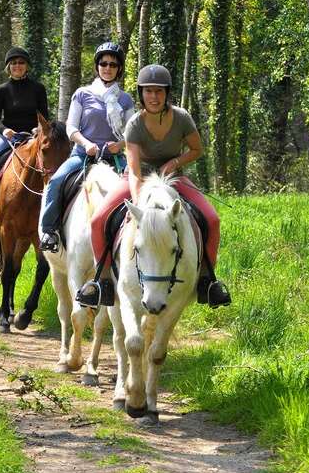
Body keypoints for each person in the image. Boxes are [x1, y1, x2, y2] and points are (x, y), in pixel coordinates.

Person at [76, 64, 231, 309]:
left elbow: (197, 149)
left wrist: (175, 162)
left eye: (159, 91)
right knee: (98, 220)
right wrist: (140, 206)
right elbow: (135, 171)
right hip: (138, 178)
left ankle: (207, 281)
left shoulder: (182, 117)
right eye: (148, 91)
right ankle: (102, 281)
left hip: (173, 178)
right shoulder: (135, 124)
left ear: (167, 93)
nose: (154, 97)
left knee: (212, 219)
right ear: (141, 94)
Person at [39, 42, 135, 253]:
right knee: (56, 181)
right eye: (103, 63)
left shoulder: (126, 99)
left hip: (114, 158)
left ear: (119, 69)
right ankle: (50, 232)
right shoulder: (82, 94)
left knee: (138, 185)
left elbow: (131, 132)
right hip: (83, 154)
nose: (107, 68)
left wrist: (119, 145)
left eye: (112, 64)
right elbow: (71, 127)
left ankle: (135, 233)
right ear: (97, 66)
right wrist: (86, 144)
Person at [0, 47, 48, 210]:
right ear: (8, 67)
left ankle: (54, 197)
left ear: (27, 66)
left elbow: (44, 116)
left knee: (52, 157)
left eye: (21, 62)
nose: (17, 66)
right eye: (13, 63)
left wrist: (38, 128)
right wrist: (5, 130)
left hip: (33, 136)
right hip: (9, 136)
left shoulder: (38, 88)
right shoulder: (2, 90)